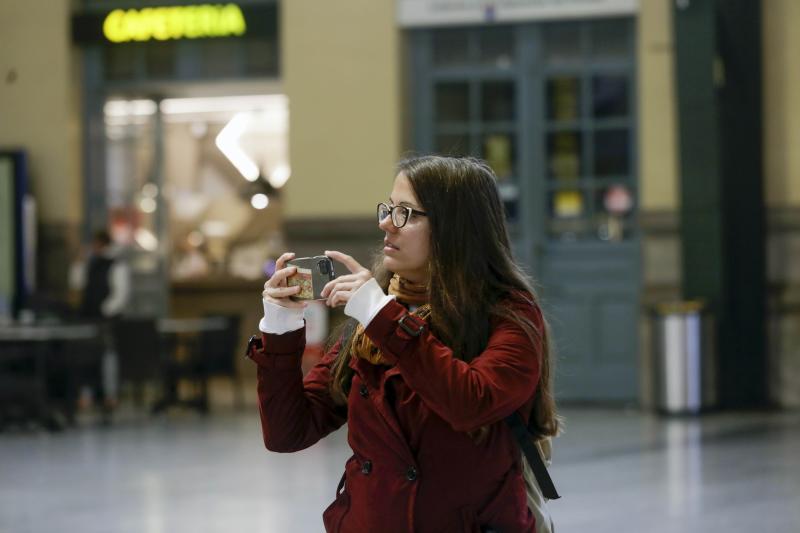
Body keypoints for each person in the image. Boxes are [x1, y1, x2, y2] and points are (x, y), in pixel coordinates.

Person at [250, 156, 559, 532]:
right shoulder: (374, 315)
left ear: (456, 227)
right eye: (388, 209)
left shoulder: (509, 313)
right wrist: (281, 327)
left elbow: (472, 403)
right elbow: (288, 432)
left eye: (407, 214)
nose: (385, 223)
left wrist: (381, 314)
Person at [69, 229, 130, 414]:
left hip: (106, 320)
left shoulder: (116, 264)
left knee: (108, 356)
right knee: (85, 356)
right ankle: (87, 394)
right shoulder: (90, 263)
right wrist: (78, 262)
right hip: (88, 317)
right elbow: (76, 284)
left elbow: (121, 294)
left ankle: (109, 395)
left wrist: (105, 311)